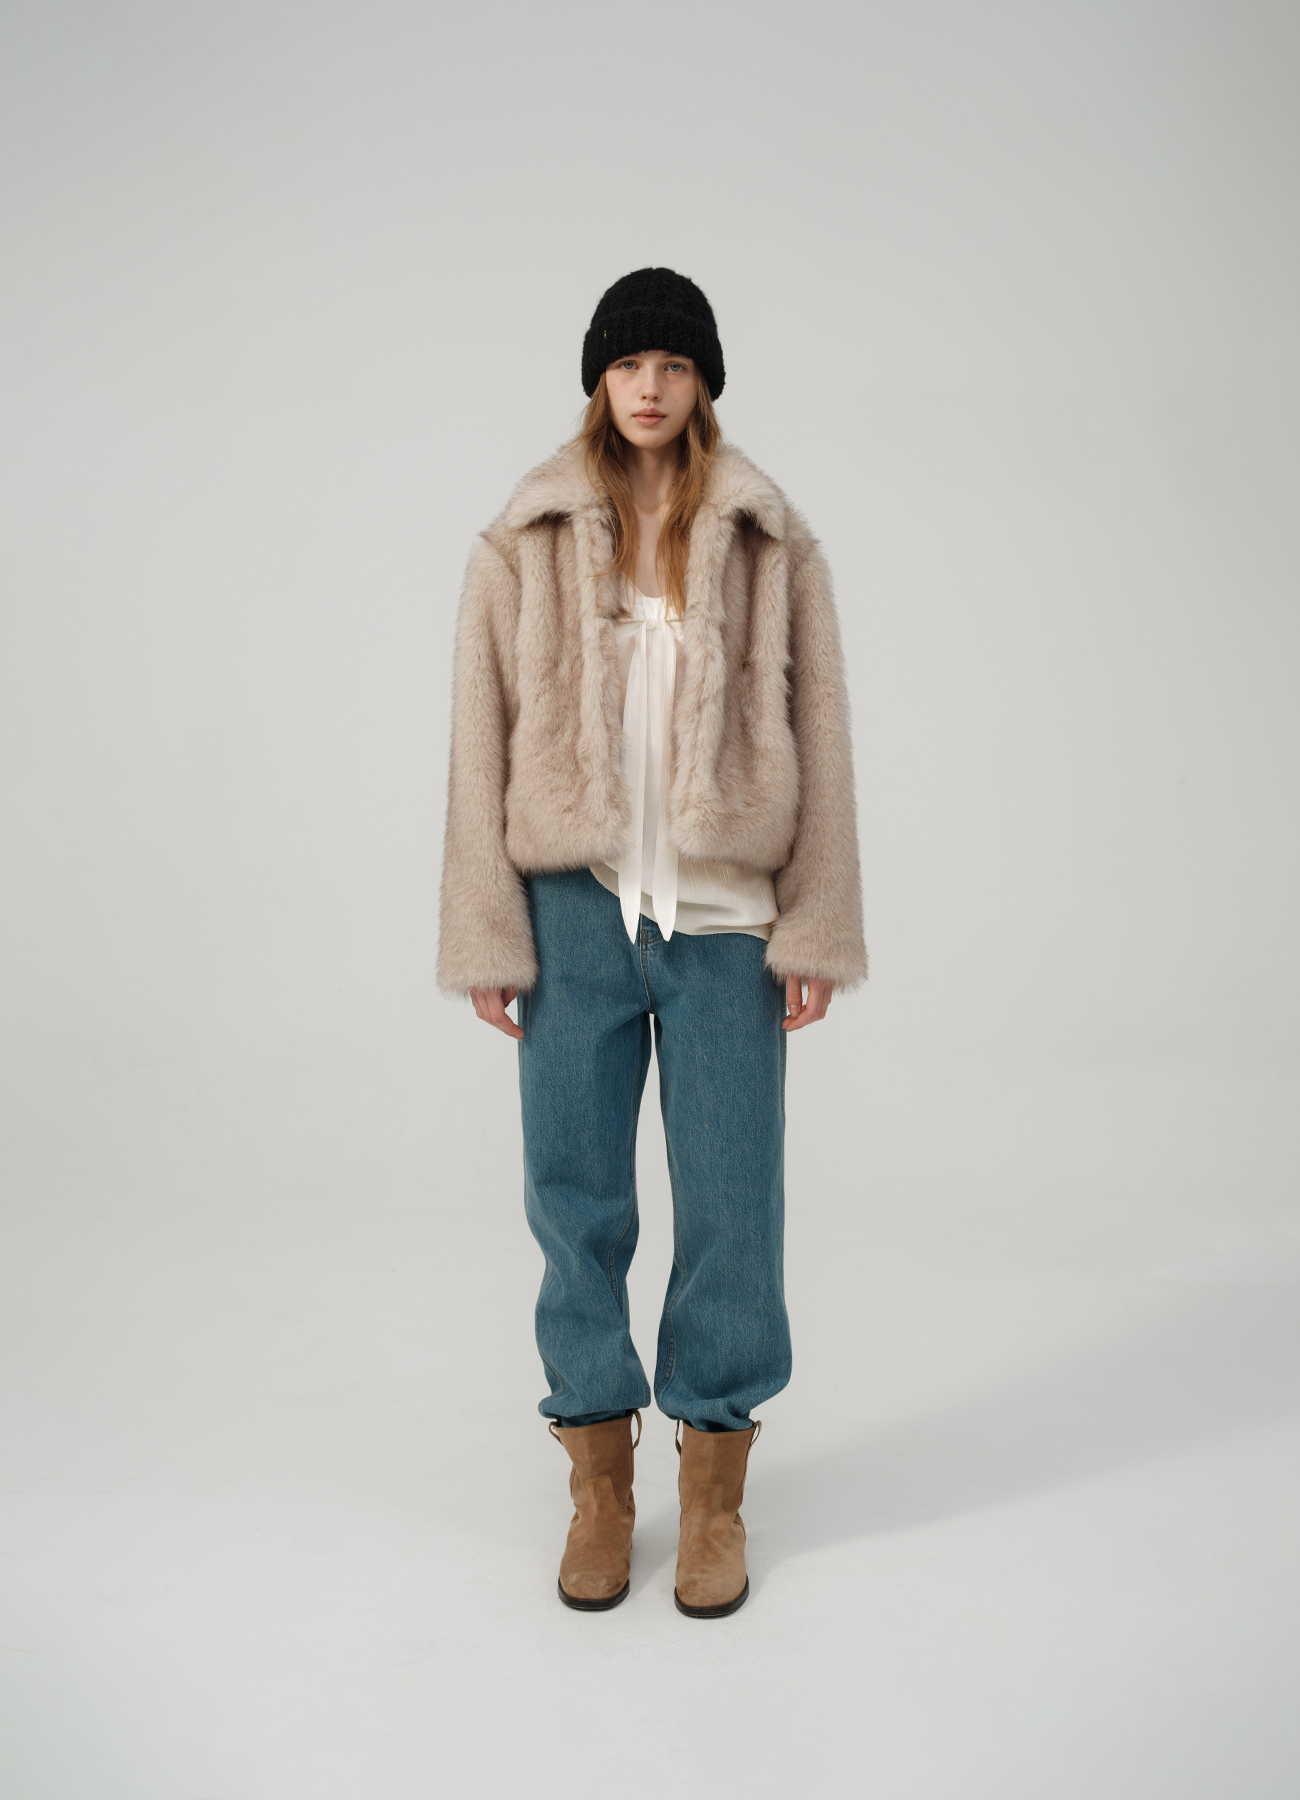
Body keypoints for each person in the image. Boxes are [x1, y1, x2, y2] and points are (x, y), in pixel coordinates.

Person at [437, 268, 866, 1618]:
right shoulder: (523, 540)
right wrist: (487, 935)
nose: (651, 386)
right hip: (573, 918)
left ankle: (717, 1488)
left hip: (729, 925)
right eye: (631, 364)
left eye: (676, 365)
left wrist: (817, 922)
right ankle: (601, 1486)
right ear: (599, 378)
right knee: (574, 1201)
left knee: (734, 1203)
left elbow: (823, 739)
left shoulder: (767, 539)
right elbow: (479, 743)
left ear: (703, 384)